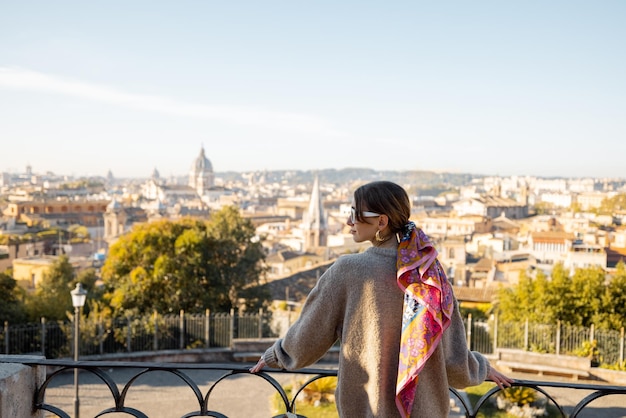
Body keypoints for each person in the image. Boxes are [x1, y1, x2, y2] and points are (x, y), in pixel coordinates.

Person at [250, 180, 513, 417]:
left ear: (381, 222)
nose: (348, 222)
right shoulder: (431, 275)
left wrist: (275, 356)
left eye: (355, 214)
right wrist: (481, 367)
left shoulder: (347, 271)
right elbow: (453, 360)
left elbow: (308, 336)